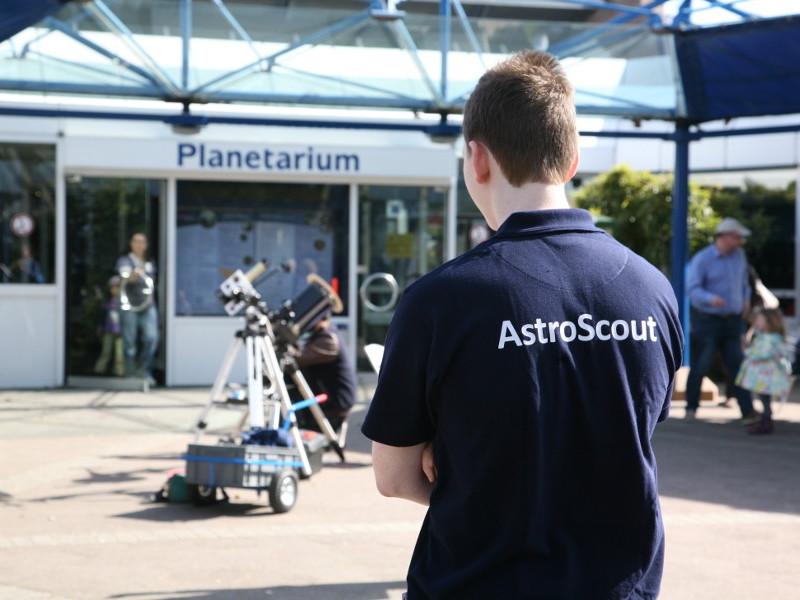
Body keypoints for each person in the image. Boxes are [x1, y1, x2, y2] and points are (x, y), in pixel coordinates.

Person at [361, 50, 684, 600]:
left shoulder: (439, 301)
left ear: (477, 159)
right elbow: (633, 429)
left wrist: (464, 466)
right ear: (573, 158)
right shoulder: (652, 289)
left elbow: (394, 478)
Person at [685, 217, 759, 424]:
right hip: (707, 320)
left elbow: (744, 281)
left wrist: (745, 298)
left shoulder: (739, 256)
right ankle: (691, 407)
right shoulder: (703, 259)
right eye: (738, 237)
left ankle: (747, 411)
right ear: (725, 236)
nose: (741, 242)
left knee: (738, 365)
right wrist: (711, 299)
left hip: (733, 320)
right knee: (700, 365)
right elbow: (692, 289)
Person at [290, 312, 357, 436]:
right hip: (328, 402)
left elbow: (296, 358)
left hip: (333, 405)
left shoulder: (328, 338)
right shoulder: (324, 333)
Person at [735, 308, 792, 435]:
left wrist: (746, 350)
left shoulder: (769, 339)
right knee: (763, 398)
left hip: (766, 377)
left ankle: (766, 421)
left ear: (770, 322)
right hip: (764, 377)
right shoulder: (766, 337)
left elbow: (762, 354)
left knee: (765, 399)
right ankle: (765, 419)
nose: (756, 322)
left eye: (759, 319)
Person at [116, 232, 159, 383]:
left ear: (146, 245)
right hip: (129, 305)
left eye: (142, 242)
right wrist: (134, 275)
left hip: (148, 305)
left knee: (151, 338)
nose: (139, 244)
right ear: (131, 243)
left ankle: (144, 370)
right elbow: (124, 275)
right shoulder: (125, 260)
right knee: (130, 341)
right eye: (136, 241)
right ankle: (130, 374)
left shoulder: (149, 262)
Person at [93, 275, 125, 377]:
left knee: (119, 354)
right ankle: (99, 370)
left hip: (121, 331)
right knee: (106, 351)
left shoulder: (125, 302)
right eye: (113, 287)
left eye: (117, 287)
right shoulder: (106, 302)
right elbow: (102, 316)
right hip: (108, 330)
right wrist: (100, 326)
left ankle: (119, 372)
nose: (115, 290)